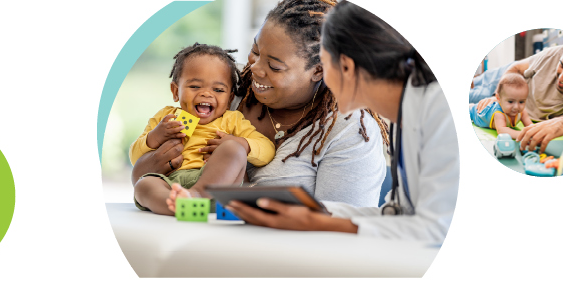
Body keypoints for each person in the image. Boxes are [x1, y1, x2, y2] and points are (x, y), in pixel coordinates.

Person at [225, 1, 459, 245]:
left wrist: (319, 223)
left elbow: (438, 230)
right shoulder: (407, 114)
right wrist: (309, 213)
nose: (322, 81)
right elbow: (397, 215)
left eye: (323, 66)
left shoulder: (439, 110)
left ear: (345, 67)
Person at [129, 0, 388, 215]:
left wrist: (240, 148)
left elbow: (343, 227)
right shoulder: (224, 90)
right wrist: (155, 157)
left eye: (274, 66)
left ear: (318, 70)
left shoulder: (349, 131)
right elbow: (141, 175)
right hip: (190, 235)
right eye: (255, 50)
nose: (255, 68)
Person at [126, 43, 276, 214]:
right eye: (195, 86)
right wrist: (155, 136)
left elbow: (267, 151)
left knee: (234, 150)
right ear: (175, 91)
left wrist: (241, 143)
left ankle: (195, 196)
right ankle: (178, 206)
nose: (206, 94)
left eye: (218, 89)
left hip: (216, 188)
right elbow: (135, 157)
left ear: (229, 98)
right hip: (171, 185)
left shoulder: (231, 120)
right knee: (144, 184)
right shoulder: (167, 117)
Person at [470, 73, 531, 137]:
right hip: (477, 112)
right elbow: (502, 130)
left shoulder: (522, 112)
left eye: (521, 102)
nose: (516, 107)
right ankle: (471, 106)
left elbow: (530, 126)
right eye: (510, 101)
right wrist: (523, 135)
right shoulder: (499, 113)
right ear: (498, 98)